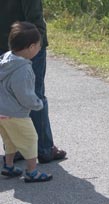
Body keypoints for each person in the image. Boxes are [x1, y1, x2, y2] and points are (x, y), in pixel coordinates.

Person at [0, 0, 66, 163]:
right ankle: (44, 148)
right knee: (34, 95)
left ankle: (16, 148)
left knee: (8, 97)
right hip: (28, 45)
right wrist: (37, 44)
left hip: (5, 47)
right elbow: (35, 19)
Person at [0, 21, 52, 182]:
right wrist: (37, 103)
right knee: (30, 140)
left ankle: (8, 166)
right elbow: (25, 95)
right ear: (31, 47)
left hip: (2, 112)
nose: (38, 49)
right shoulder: (22, 69)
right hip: (16, 114)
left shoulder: (6, 59)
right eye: (38, 46)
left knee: (10, 139)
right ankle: (32, 172)